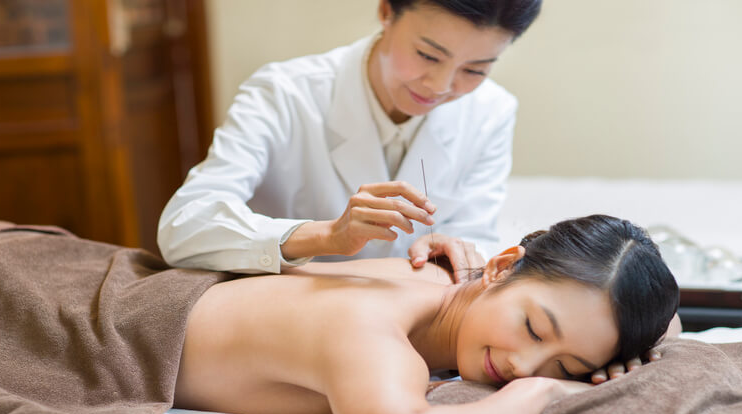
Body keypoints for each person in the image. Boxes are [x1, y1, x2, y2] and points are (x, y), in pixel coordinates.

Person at [174, 214, 680, 414]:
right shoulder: (369, 331)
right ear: (502, 267)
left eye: (567, 366)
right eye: (533, 329)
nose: (524, 365)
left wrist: (629, 348)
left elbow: (670, 322)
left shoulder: (463, 276)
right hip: (113, 329)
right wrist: (544, 389)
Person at [158, 0, 543, 282]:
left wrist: (455, 251)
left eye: (475, 70)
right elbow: (185, 228)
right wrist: (325, 236)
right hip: (283, 313)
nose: (441, 86)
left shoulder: (491, 111)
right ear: (386, 12)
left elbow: (476, 240)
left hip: (405, 325)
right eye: (427, 55)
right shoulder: (284, 94)